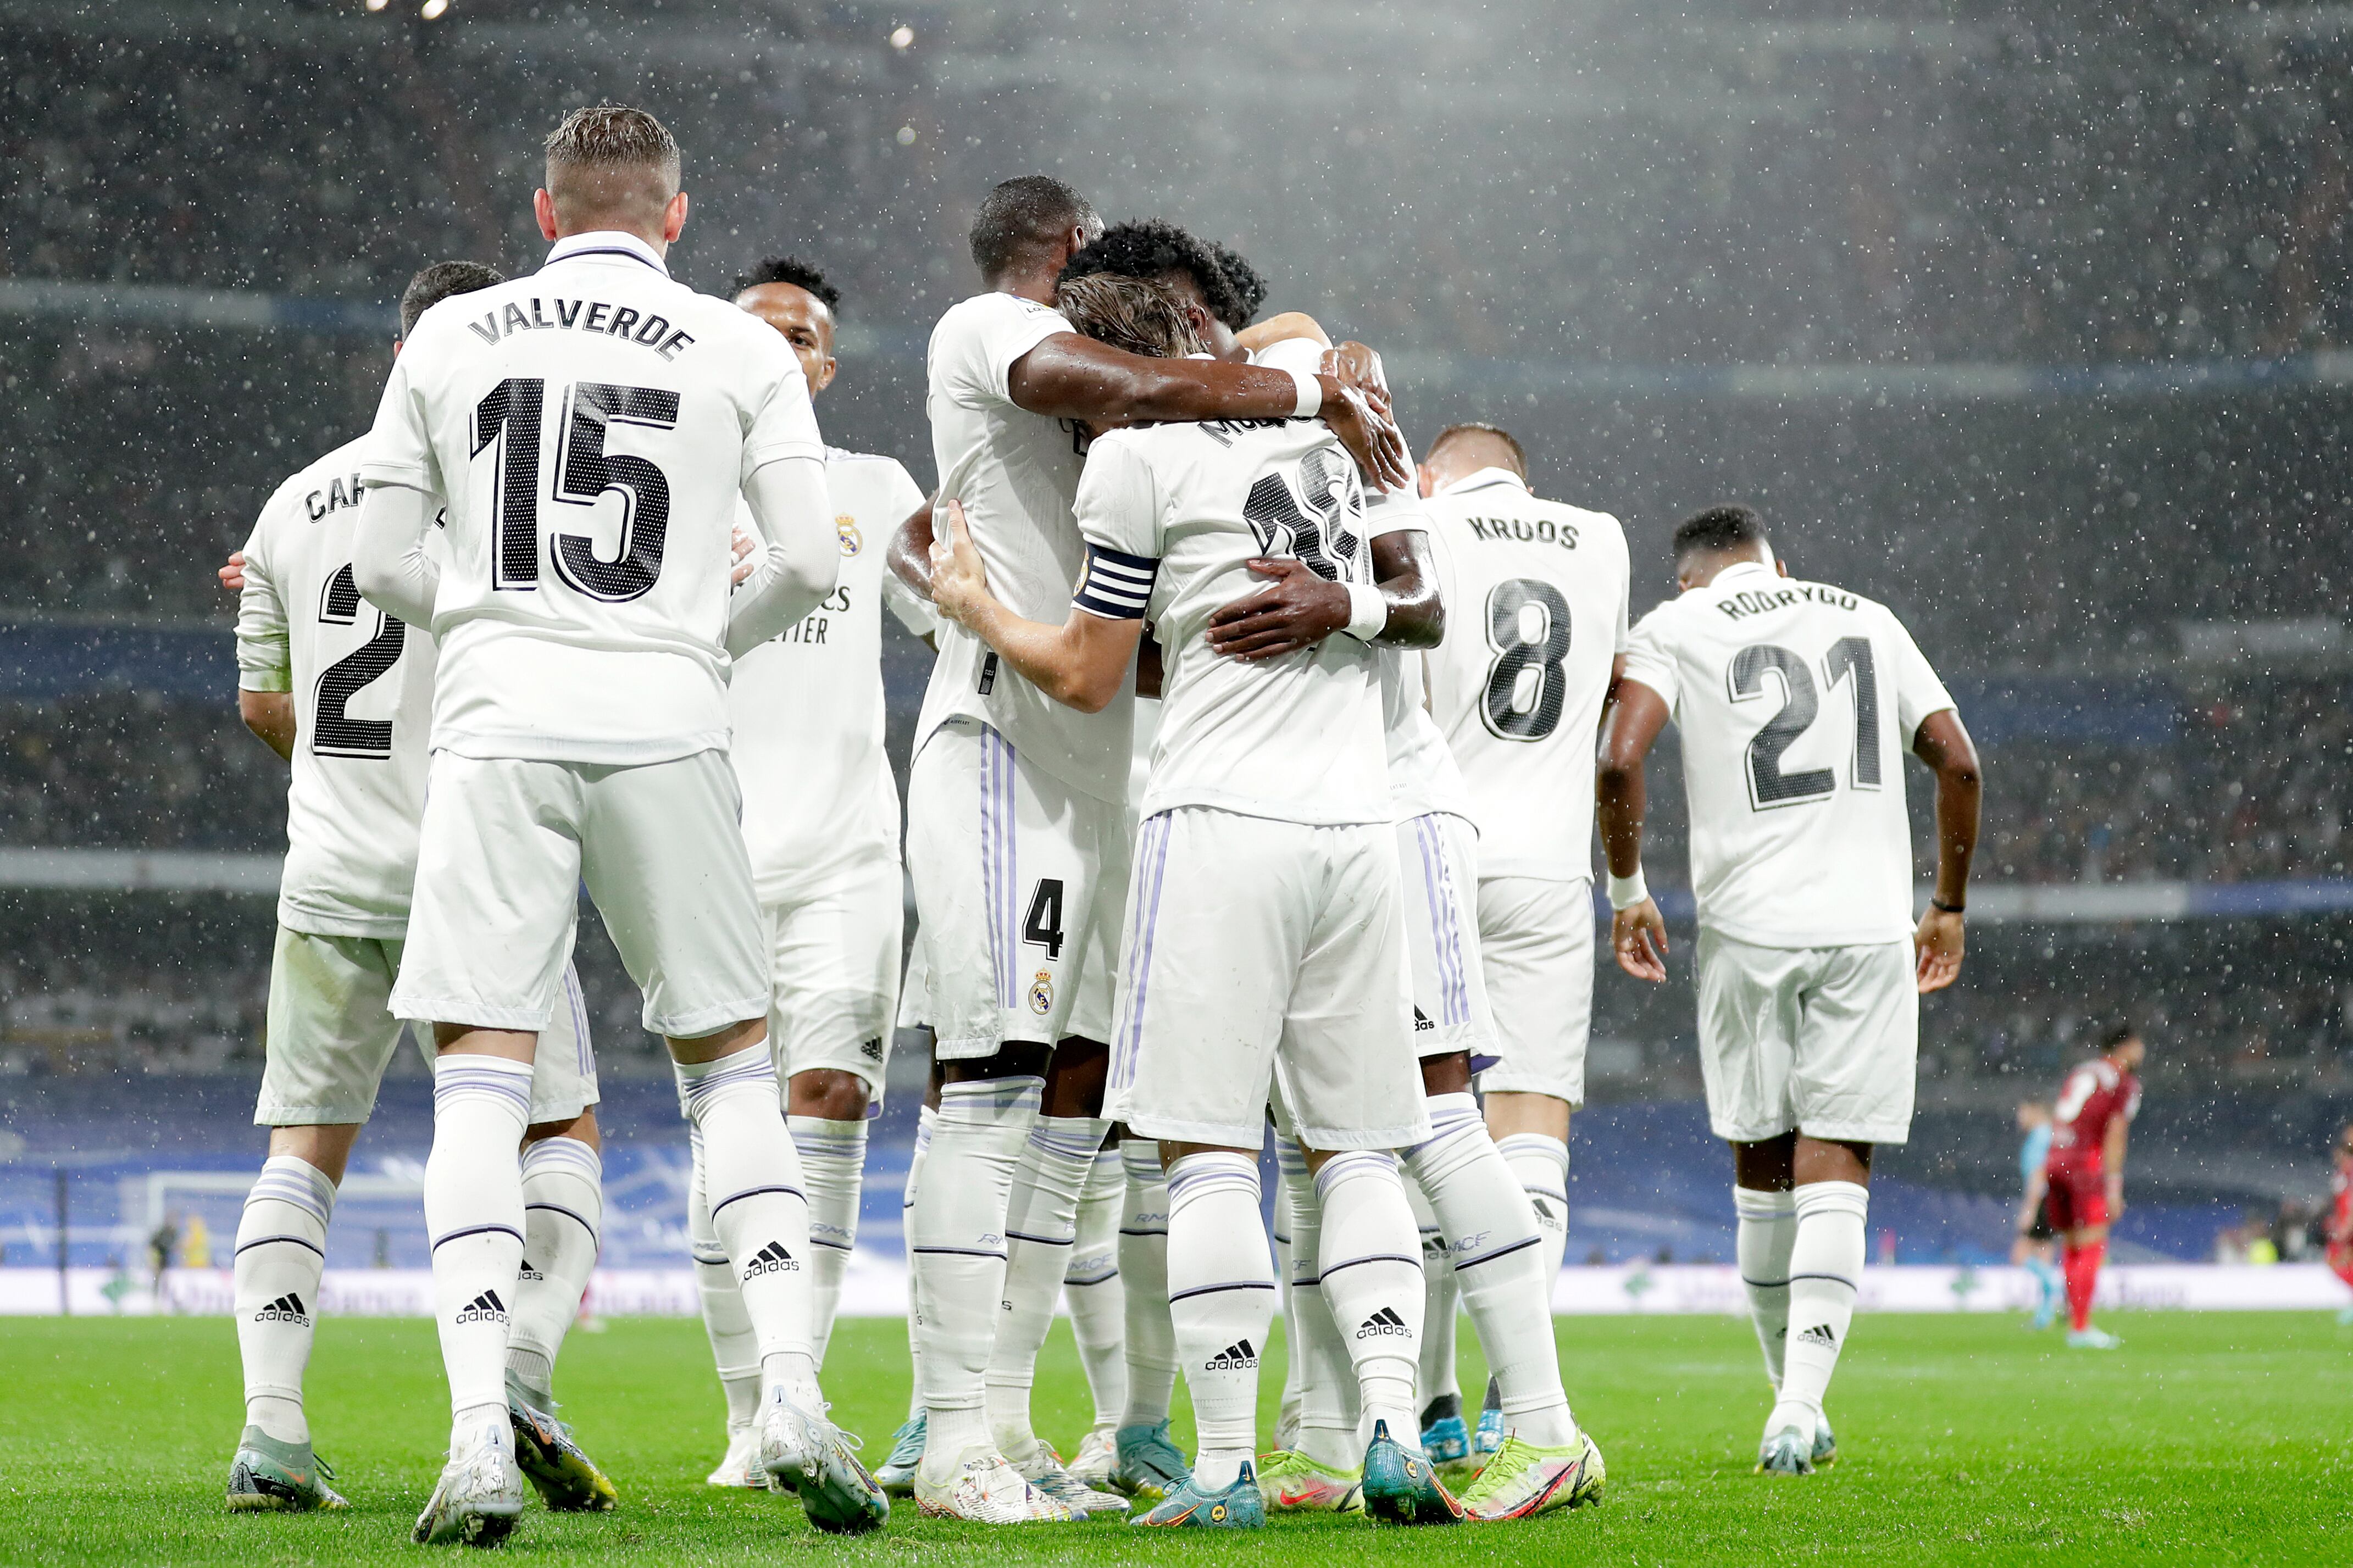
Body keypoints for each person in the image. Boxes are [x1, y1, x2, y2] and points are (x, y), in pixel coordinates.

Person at [349, 105, 880, 1542]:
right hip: (665, 713)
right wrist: (701, 628)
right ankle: (787, 1397)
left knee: (478, 1072)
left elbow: (388, 557)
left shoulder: (456, 340)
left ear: (540, 213)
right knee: (732, 1063)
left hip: (502, 717)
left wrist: (486, 611)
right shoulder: (742, 345)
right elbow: (820, 556)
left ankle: (472, 1434)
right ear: (675, 215)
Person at [884, 176, 1406, 1524]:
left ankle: (1005, 1412)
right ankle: (947, 1432)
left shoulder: (1171, 396)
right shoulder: (990, 334)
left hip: (1125, 764)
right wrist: (1302, 392)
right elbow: (1126, 380)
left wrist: (1323, 359)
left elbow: (1265, 326)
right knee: (986, 1077)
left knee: (1077, 1100)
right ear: (1054, 261)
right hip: (1008, 740)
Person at [220, 260, 611, 1520]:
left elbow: (264, 704)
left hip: (331, 867)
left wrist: (351, 781)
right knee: (556, 1131)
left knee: (303, 1147)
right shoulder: (519, 505)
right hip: (478, 863)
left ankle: (272, 1433)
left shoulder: (290, 503)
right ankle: (522, 1370)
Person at [1596, 504, 1980, 1476]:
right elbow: (1959, 760)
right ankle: (1799, 1404)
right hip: (1864, 925)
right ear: (1779, 561)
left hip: (1747, 930)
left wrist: (1628, 889)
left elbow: (1617, 756)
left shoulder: (1674, 625)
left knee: (1761, 1168)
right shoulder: (1867, 615)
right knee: (1835, 1156)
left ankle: (1787, 1399)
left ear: (1688, 578)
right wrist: (1946, 903)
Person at [687, 254, 933, 1489]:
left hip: (844, 851)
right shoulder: (671, 487)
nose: (785, 350)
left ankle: (800, 1393)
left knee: (828, 1099)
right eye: (763, 331)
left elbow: (963, 616)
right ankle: (744, 1419)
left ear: (828, 367)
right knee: (724, 1127)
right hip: (703, 848)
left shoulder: (875, 490)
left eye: (805, 337)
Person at [2043, 1024, 2146, 1349]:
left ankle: (2075, 1320)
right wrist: (2114, 1185)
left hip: (2055, 1157)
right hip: (2084, 1165)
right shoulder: (2123, 1081)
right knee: (2092, 1244)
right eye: (2138, 1045)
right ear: (2126, 1047)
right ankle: (2081, 1327)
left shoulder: (2083, 1070)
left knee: (2072, 1244)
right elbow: (2116, 1133)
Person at [2010, 1101, 2062, 1330]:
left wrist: (2030, 1209)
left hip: (2042, 1201)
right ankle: (2045, 1316)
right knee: (2044, 1257)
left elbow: (2038, 1174)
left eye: (2022, 1111)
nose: (2019, 1118)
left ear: (2035, 1110)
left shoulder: (2040, 1137)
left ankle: (2057, 1285)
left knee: (2020, 1255)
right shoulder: (2052, 1134)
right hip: (2054, 1200)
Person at [2326, 1126, 2353, 1325]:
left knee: (2338, 1263)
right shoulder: (2342, 1177)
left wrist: (2346, 1228)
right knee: (2337, 1264)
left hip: (2348, 1231)